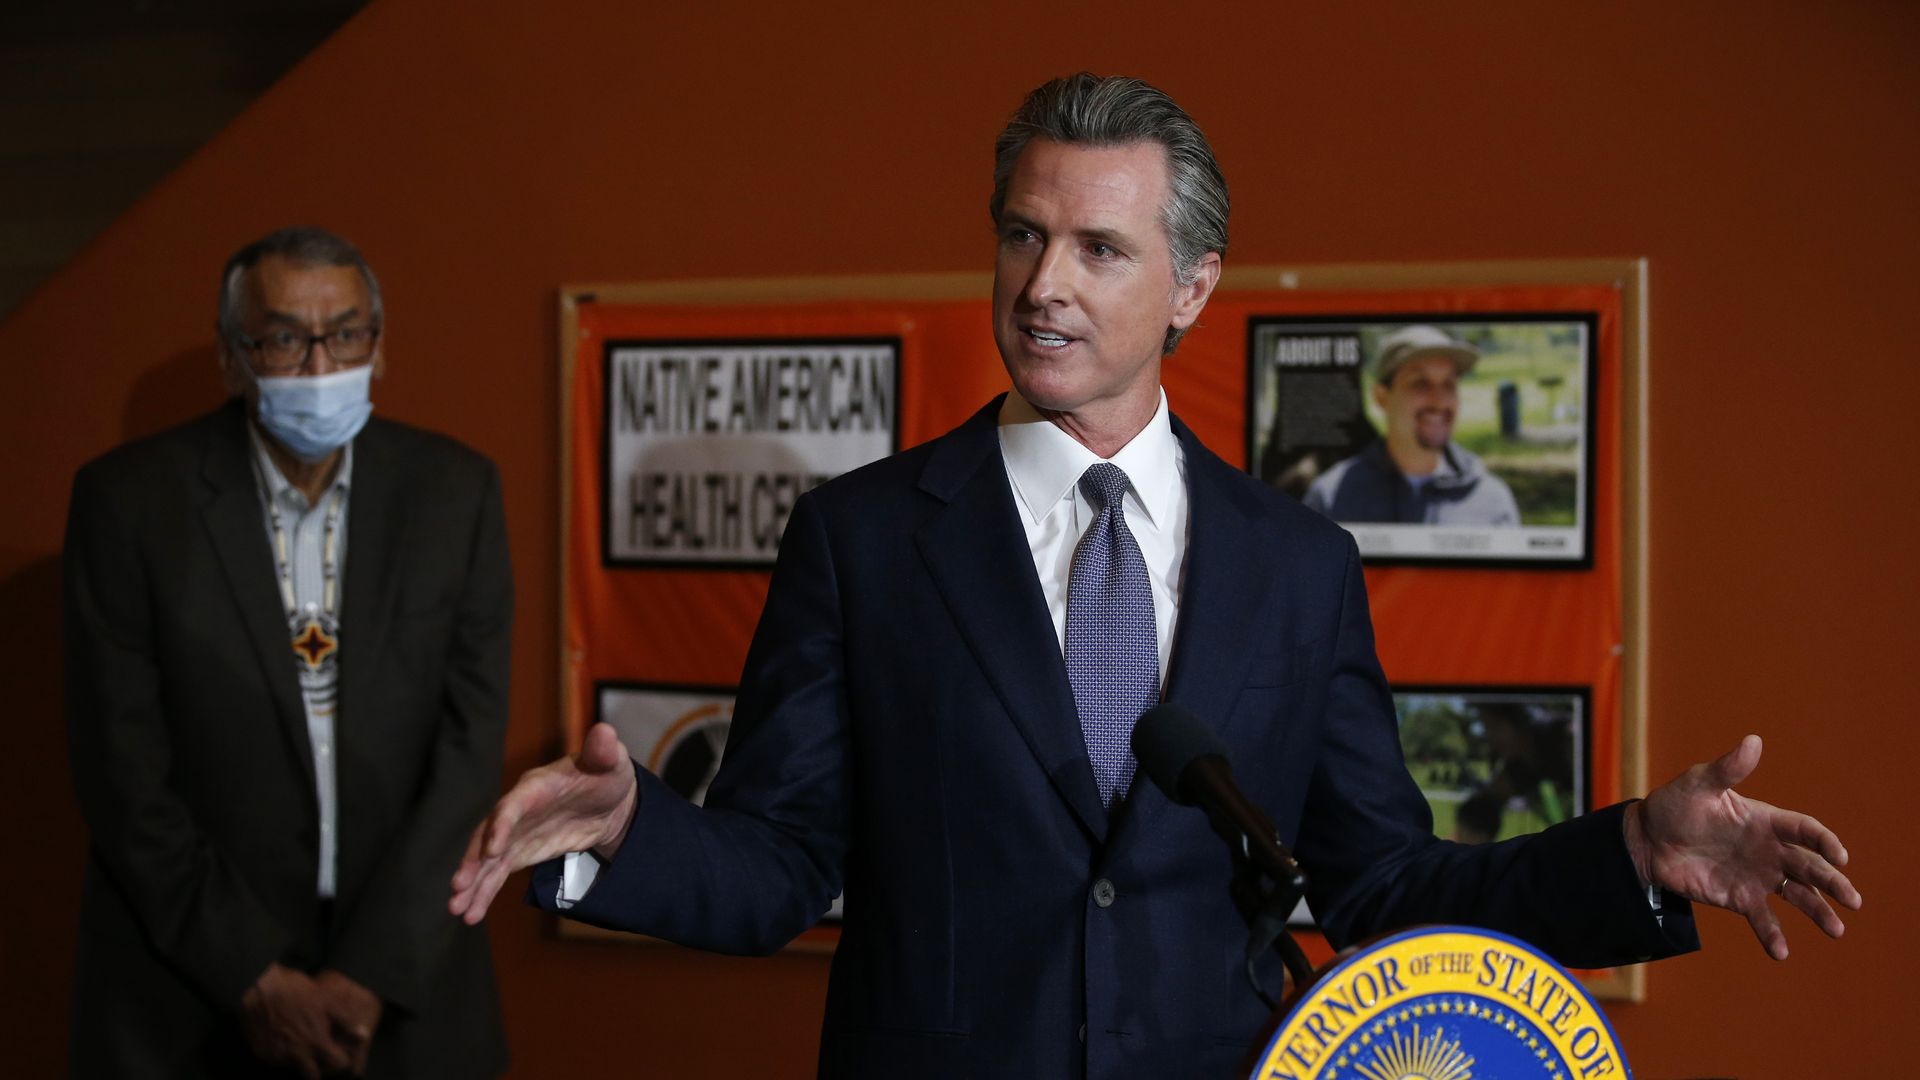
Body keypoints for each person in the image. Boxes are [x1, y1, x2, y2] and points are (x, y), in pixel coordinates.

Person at [450, 75, 1857, 1078]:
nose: (1041, 281)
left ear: (1190, 288)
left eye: (1098, 248)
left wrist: (1629, 855)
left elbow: (1377, 887)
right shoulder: (867, 539)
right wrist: (626, 830)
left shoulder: (1298, 565)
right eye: (1020, 233)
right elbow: (777, 868)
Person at [66, 227, 512, 1078]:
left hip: (409, 997)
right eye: (282, 339)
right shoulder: (128, 504)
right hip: (187, 1003)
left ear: (378, 349)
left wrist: (370, 974)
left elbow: (468, 753)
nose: (318, 368)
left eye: (345, 334)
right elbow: (121, 774)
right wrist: (254, 977)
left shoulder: (456, 493)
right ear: (233, 358)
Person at [1303, 324, 1523, 525]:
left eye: (1449, 384)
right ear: (1382, 397)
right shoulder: (1330, 498)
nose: (1439, 400)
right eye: (1420, 383)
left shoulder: (1492, 502)